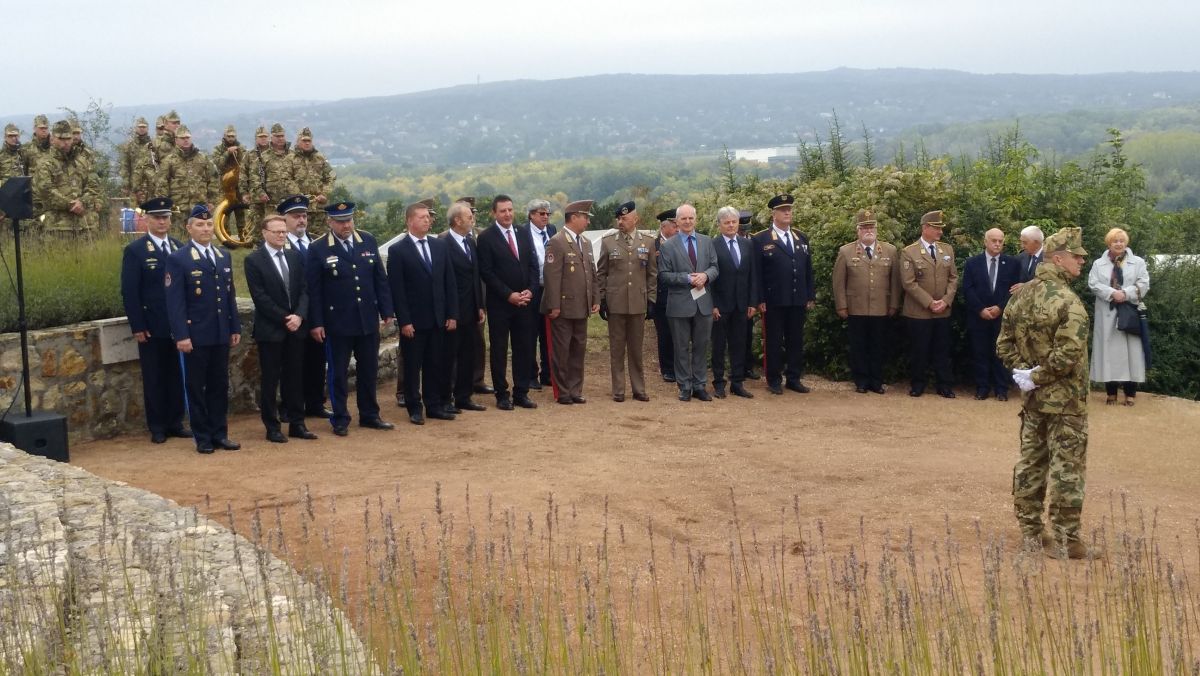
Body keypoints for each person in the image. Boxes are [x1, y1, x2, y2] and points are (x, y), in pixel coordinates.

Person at [996, 226, 1095, 559]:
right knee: (1067, 468)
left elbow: (1003, 344)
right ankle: (1067, 542)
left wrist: (1025, 375)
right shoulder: (1069, 302)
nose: (1082, 261)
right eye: (1076, 256)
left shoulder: (1021, 296)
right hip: (1066, 402)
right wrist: (1036, 376)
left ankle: (1032, 534)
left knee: (1031, 464)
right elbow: (1068, 355)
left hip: (1033, 400)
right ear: (1058, 259)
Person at [306, 201, 395, 436]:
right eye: (340, 221)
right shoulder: (318, 248)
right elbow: (314, 290)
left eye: (349, 220)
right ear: (330, 222)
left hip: (366, 319)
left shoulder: (367, 240)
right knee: (338, 372)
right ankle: (340, 418)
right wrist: (317, 322)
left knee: (369, 369)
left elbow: (379, 278)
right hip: (338, 322)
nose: (346, 225)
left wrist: (386, 310)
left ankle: (370, 414)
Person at [164, 204, 242, 454]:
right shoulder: (178, 259)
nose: (206, 229)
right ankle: (203, 437)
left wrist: (234, 326)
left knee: (219, 385)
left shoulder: (222, 256)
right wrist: (181, 336)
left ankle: (220, 433)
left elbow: (229, 296)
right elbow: (175, 303)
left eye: (209, 224)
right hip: (195, 335)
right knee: (197, 388)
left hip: (220, 333)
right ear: (189, 228)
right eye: (200, 225)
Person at [120, 197, 189, 444]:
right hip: (152, 324)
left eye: (166, 217)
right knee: (154, 376)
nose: (162, 222)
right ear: (147, 220)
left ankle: (175, 422)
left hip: (177, 325)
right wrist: (138, 325)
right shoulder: (136, 250)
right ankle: (157, 426)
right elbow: (130, 291)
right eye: (157, 218)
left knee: (176, 375)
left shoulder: (179, 246)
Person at [245, 214, 318, 443]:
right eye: (276, 231)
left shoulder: (294, 257)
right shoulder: (254, 260)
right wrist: (286, 318)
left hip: (296, 329)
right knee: (270, 380)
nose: (281, 235)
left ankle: (297, 423)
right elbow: (260, 297)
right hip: (271, 330)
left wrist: (299, 316)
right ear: (264, 233)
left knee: (295, 377)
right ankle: (272, 427)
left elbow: (304, 289)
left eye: (283, 231)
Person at [388, 202, 458, 425]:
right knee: (412, 366)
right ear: (409, 221)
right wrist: (404, 321)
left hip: (438, 319)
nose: (427, 220)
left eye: (428, 217)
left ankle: (434, 405)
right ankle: (414, 407)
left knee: (434, 365)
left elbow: (449, 282)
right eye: (422, 217)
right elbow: (397, 290)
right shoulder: (398, 250)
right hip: (414, 321)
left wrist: (452, 314)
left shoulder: (439, 246)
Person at [477, 195, 539, 410]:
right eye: (503, 211)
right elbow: (486, 272)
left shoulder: (523, 232)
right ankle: (502, 394)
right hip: (500, 304)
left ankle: (521, 392)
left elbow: (533, 265)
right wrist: (508, 295)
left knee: (524, 347)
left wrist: (531, 290)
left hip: (524, 303)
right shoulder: (486, 238)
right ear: (494, 213)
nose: (507, 214)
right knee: (499, 350)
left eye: (510, 210)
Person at [832, 209, 900, 394]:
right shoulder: (846, 251)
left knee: (878, 346)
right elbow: (838, 282)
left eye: (871, 227)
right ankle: (861, 381)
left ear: (876, 229)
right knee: (858, 346)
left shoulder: (890, 250)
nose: (868, 230)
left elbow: (895, 281)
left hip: (881, 307)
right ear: (858, 230)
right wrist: (841, 305)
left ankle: (876, 381)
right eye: (864, 228)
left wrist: (894, 304)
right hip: (856, 307)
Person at [753, 194, 815, 395]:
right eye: (782, 210)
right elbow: (757, 273)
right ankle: (774, 379)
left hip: (797, 298)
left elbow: (807, 269)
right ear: (773, 214)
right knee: (774, 341)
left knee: (795, 340)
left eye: (789, 209)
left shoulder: (801, 237)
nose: (787, 212)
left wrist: (810, 295)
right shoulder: (761, 239)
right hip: (774, 300)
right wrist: (760, 298)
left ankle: (794, 378)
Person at [540, 200, 600, 405]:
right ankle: (563, 391)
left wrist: (595, 298)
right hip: (563, 308)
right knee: (562, 350)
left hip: (582, 306)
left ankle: (575, 389)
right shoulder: (557, 242)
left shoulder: (586, 243)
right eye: (585, 217)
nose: (588, 222)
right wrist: (554, 305)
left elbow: (592, 273)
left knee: (578, 349)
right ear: (574, 217)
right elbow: (551, 277)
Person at [597, 201, 658, 402]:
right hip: (615, 302)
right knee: (616, 349)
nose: (620, 222)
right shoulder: (608, 242)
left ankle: (639, 389)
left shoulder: (648, 242)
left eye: (624, 218)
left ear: (635, 219)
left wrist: (651, 299)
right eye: (618, 218)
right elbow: (601, 273)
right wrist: (602, 298)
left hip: (638, 302)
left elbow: (652, 274)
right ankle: (618, 390)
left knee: (636, 349)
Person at [658, 203, 718, 401]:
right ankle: (684, 386)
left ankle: (700, 385)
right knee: (681, 347)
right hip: (679, 304)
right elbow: (664, 275)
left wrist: (705, 276)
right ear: (677, 221)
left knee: (701, 346)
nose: (687, 221)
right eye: (683, 218)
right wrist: (686, 278)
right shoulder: (668, 246)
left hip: (703, 303)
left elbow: (715, 267)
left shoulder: (707, 241)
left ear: (695, 219)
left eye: (691, 218)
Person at [278, 195, 331, 418]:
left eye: (304, 216)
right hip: (293, 313)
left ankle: (315, 403)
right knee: (293, 363)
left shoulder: (318, 243)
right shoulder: (280, 244)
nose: (301, 220)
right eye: (295, 216)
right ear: (284, 219)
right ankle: (290, 406)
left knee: (317, 360)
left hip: (317, 312)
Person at [1088, 227, 1150, 406]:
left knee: (1132, 353)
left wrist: (1125, 293)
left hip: (1129, 312)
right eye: (1115, 241)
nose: (1119, 244)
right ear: (1109, 243)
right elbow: (1093, 283)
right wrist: (1111, 293)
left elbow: (1144, 283)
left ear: (1126, 243)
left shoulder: (1138, 262)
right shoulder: (1098, 264)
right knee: (1109, 354)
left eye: (1122, 241)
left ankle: (1130, 394)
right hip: (1107, 312)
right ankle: (1111, 393)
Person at [899, 209, 958, 397]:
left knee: (942, 350)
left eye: (940, 228)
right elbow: (908, 283)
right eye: (936, 228)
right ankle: (918, 384)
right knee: (919, 350)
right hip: (919, 312)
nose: (940, 231)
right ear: (925, 228)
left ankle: (944, 385)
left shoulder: (947, 250)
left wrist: (946, 301)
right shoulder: (909, 252)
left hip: (942, 311)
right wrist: (930, 302)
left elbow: (953, 278)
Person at [439, 201, 487, 412]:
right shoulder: (443, 243)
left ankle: (464, 396)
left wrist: (479, 305)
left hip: (470, 309)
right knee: (448, 356)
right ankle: (444, 398)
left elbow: (475, 277)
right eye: (469, 217)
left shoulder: (470, 242)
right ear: (457, 220)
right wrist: (449, 312)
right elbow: (441, 280)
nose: (472, 220)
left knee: (469, 354)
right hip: (452, 310)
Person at [963, 228, 1019, 400]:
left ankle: (1001, 389)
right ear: (985, 241)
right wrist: (981, 309)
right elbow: (968, 289)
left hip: (1001, 317)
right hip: (978, 316)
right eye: (994, 240)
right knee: (980, 352)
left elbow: (1014, 290)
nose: (997, 244)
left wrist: (1000, 307)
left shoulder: (1012, 263)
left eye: (1000, 241)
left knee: (1001, 352)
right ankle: (982, 387)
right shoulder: (972, 263)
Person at [709, 206, 758, 398]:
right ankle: (719, 383)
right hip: (720, 305)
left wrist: (752, 302)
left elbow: (753, 275)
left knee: (739, 344)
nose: (731, 225)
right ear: (720, 224)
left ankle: (737, 383)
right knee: (719, 346)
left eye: (734, 222)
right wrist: (712, 304)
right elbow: (709, 278)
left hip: (742, 304)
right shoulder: (713, 245)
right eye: (727, 222)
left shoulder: (747, 244)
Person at [455, 196, 495, 397]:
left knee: (478, 341)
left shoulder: (480, 236)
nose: (473, 217)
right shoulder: (445, 238)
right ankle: (457, 383)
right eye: (469, 213)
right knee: (458, 345)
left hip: (479, 297)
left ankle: (477, 379)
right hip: (459, 301)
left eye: (474, 212)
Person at [32, 120, 100, 237]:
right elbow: (46, 190)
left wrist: (82, 201)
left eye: (69, 138)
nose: (66, 142)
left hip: (85, 225)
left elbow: (93, 185)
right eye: (62, 139)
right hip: (57, 227)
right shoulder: (45, 163)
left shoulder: (81, 161)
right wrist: (70, 204)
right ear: (52, 139)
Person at [155, 126, 219, 234]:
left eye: (187, 137)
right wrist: (164, 205)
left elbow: (213, 178)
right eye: (182, 138)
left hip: (199, 207)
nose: (185, 140)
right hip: (178, 209)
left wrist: (212, 201)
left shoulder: (202, 158)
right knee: (178, 238)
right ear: (176, 140)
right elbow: (161, 184)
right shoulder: (169, 160)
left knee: (200, 236)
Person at [525, 199, 556, 389]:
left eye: (547, 214)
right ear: (531, 215)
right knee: (530, 332)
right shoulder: (523, 233)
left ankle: (548, 373)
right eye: (541, 213)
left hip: (549, 289)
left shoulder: (551, 230)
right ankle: (530, 374)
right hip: (532, 288)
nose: (545, 217)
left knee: (548, 333)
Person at [291, 127, 335, 237]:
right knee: (300, 238)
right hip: (299, 208)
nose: (307, 143)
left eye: (309, 141)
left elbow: (331, 176)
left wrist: (324, 194)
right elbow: (286, 179)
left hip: (319, 208)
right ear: (298, 141)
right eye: (304, 141)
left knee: (323, 239)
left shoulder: (320, 158)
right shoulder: (290, 158)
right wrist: (298, 195)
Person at [652, 209, 677, 382]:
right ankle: (667, 368)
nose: (677, 229)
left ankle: (679, 366)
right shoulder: (652, 245)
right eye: (674, 226)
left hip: (680, 295)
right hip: (661, 297)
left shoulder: (680, 242)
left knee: (680, 333)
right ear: (664, 227)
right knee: (665, 333)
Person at [210, 125, 247, 239]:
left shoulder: (241, 147)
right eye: (229, 136)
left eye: (233, 136)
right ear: (224, 136)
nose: (231, 138)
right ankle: (227, 238)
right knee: (225, 212)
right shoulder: (218, 149)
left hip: (238, 185)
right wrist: (227, 153)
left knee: (240, 212)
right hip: (225, 186)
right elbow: (218, 164)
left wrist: (238, 152)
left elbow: (245, 163)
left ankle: (243, 236)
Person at [119, 117, 154, 202]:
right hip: (134, 185)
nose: (142, 129)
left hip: (151, 185)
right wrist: (126, 184)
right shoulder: (129, 145)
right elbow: (125, 166)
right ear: (135, 128)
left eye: (144, 127)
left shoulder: (153, 144)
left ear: (147, 128)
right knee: (135, 209)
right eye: (140, 127)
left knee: (150, 208)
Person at [1011, 225, 1044, 291]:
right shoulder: (1019, 258)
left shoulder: (1050, 259)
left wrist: (1027, 286)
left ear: (1037, 243)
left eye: (1025, 243)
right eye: (1021, 242)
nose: (1022, 246)